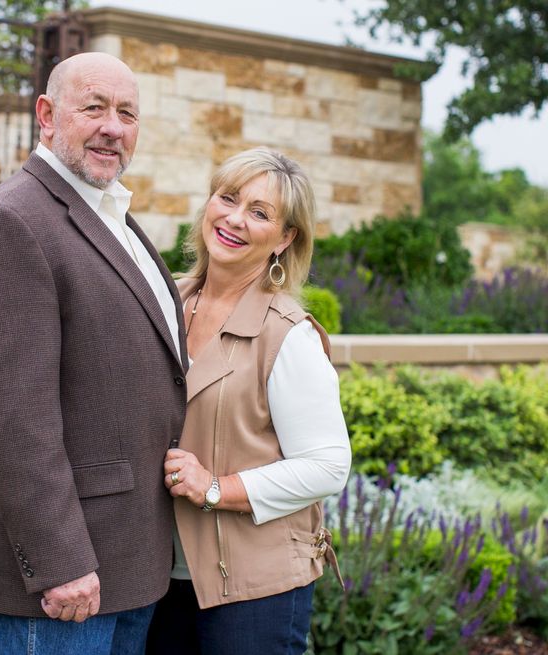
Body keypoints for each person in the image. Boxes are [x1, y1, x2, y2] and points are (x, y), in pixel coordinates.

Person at [0, 52, 188, 655]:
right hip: (64, 584)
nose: (114, 126)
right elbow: (9, 421)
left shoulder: (112, 217)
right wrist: (59, 561)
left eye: (128, 113)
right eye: (95, 108)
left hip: (128, 565)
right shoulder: (16, 222)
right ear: (47, 116)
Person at [146, 147, 352, 655]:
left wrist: (216, 487)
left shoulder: (287, 336)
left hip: (253, 590)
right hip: (157, 579)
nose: (235, 219)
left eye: (259, 213)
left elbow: (328, 464)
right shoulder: (163, 302)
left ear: (285, 239)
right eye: (228, 198)